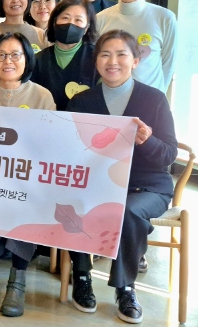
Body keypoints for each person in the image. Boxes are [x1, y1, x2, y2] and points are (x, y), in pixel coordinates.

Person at [66, 30, 177, 324]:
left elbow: (168, 155)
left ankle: (125, 287)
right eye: (105, 54)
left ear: (135, 61)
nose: (112, 61)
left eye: (121, 54)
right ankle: (81, 275)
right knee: (73, 200)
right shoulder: (82, 101)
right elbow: (68, 151)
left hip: (147, 187)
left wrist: (148, 141)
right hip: (98, 183)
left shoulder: (154, 99)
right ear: (96, 61)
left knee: (127, 210)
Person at [0, 32, 55, 317]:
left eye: (15, 55)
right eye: (1, 55)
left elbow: (52, 143)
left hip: (27, 179)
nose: (8, 61)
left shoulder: (42, 96)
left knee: (25, 199)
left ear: (27, 59)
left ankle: (18, 280)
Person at [96, 0, 177, 93]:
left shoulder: (164, 18)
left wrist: (158, 97)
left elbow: (168, 64)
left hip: (149, 100)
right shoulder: (100, 19)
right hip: (109, 98)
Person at [31, 0, 99, 111]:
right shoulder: (38, 60)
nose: (70, 24)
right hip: (46, 120)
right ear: (54, 22)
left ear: (86, 28)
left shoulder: (97, 58)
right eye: (65, 18)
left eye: (78, 20)